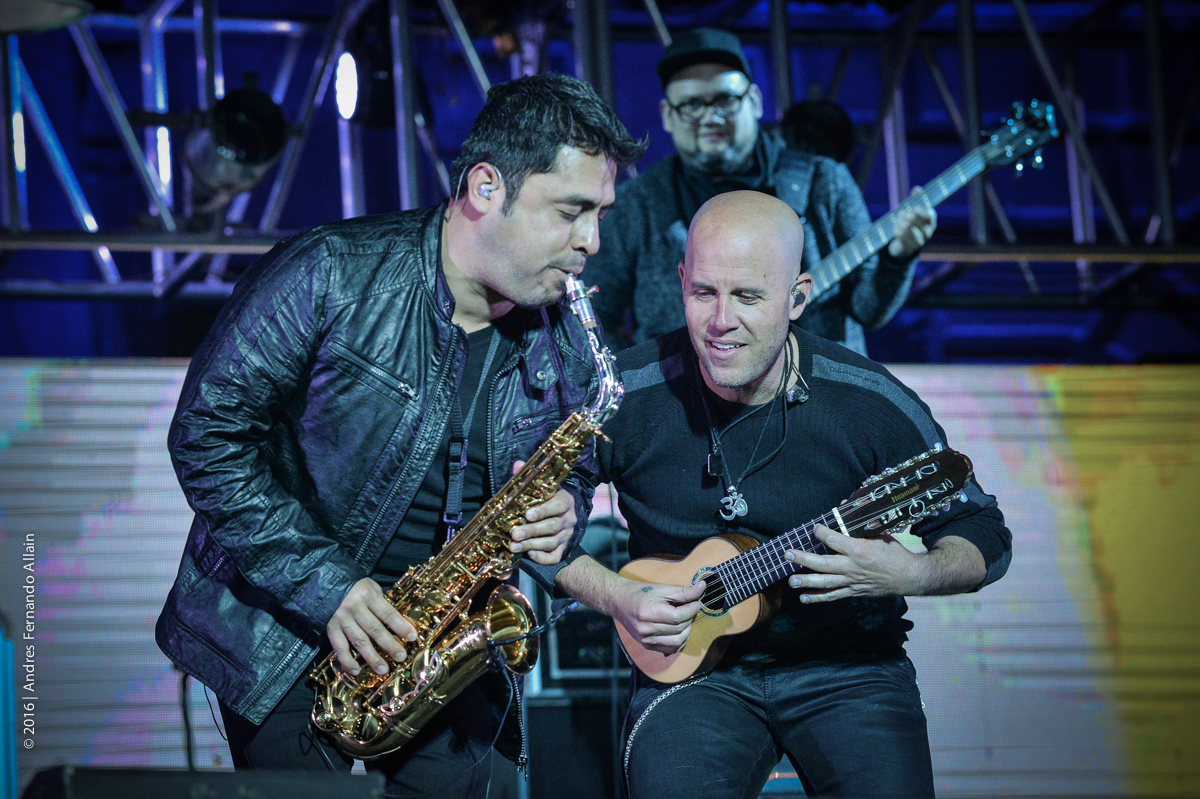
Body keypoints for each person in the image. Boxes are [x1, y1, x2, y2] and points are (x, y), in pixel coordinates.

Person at [156, 74, 645, 798]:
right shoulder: (329, 271)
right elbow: (206, 434)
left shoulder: (567, 336)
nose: (591, 242)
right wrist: (328, 587)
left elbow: (564, 465)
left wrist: (563, 506)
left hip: (444, 642)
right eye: (571, 212)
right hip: (285, 630)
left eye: (599, 215)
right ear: (486, 187)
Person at [555, 191, 1011, 798]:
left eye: (748, 297)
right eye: (704, 293)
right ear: (680, 281)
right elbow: (531, 533)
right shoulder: (623, 392)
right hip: (689, 676)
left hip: (850, 668)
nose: (720, 321)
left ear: (797, 297)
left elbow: (985, 534)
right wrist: (616, 596)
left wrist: (912, 573)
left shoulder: (869, 400)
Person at [586, 27, 936, 356]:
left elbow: (869, 310)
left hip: (820, 394)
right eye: (691, 105)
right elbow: (596, 314)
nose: (710, 117)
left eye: (725, 100)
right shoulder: (637, 203)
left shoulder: (824, 181)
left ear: (755, 101)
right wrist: (639, 385)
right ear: (666, 114)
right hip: (683, 399)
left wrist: (898, 257)